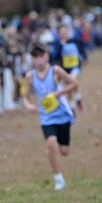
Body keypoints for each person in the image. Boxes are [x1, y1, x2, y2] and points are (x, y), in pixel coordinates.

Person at [22, 43, 77, 191]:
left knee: (64, 151)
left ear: (47, 56)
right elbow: (25, 97)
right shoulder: (30, 76)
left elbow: (73, 83)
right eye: (35, 57)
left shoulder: (56, 71)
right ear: (32, 59)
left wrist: (57, 94)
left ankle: (61, 144)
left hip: (62, 115)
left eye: (41, 56)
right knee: (51, 144)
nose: (38, 60)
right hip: (46, 117)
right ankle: (58, 178)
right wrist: (29, 105)